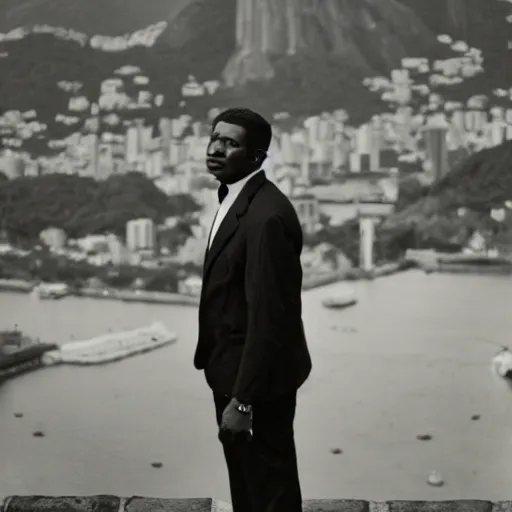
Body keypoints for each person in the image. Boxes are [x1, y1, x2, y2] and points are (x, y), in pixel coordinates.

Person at [194, 107, 312, 512]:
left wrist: (243, 401)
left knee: (269, 491)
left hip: (257, 383)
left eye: (230, 143)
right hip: (234, 371)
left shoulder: (266, 218)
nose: (217, 149)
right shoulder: (238, 200)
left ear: (257, 156)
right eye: (215, 138)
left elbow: (270, 317)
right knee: (247, 485)